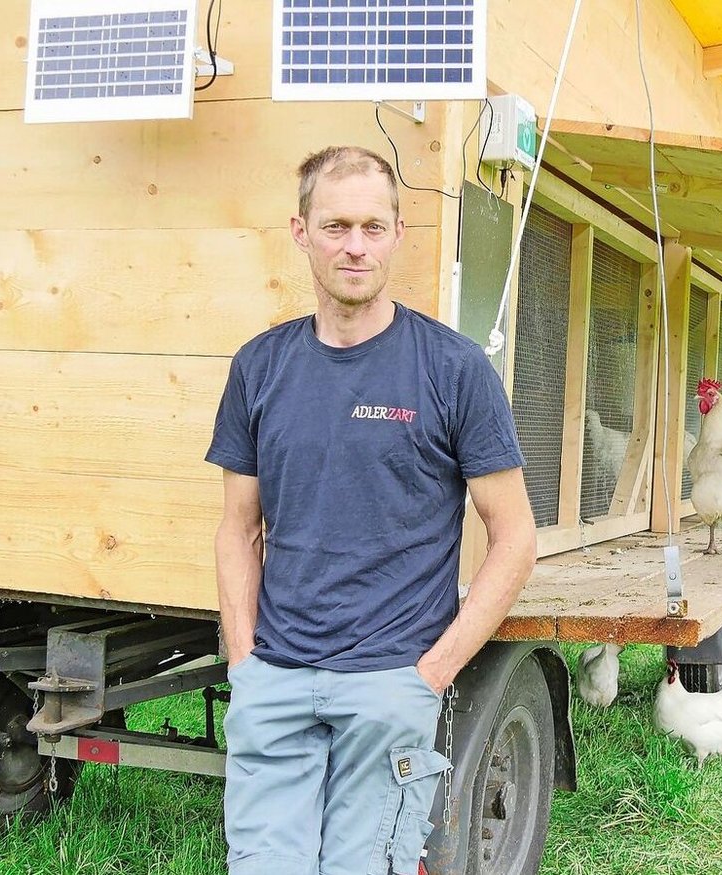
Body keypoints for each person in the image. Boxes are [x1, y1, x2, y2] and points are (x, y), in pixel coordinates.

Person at [205, 145, 537, 875]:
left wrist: (431, 673)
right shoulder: (259, 367)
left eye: (372, 227)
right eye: (336, 226)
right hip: (275, 679)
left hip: (391, 682)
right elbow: (238, 528)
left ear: (397, 233)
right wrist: (244, 659)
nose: (355, 246)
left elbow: (514, 538)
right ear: (301, 232)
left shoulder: (454, 370)